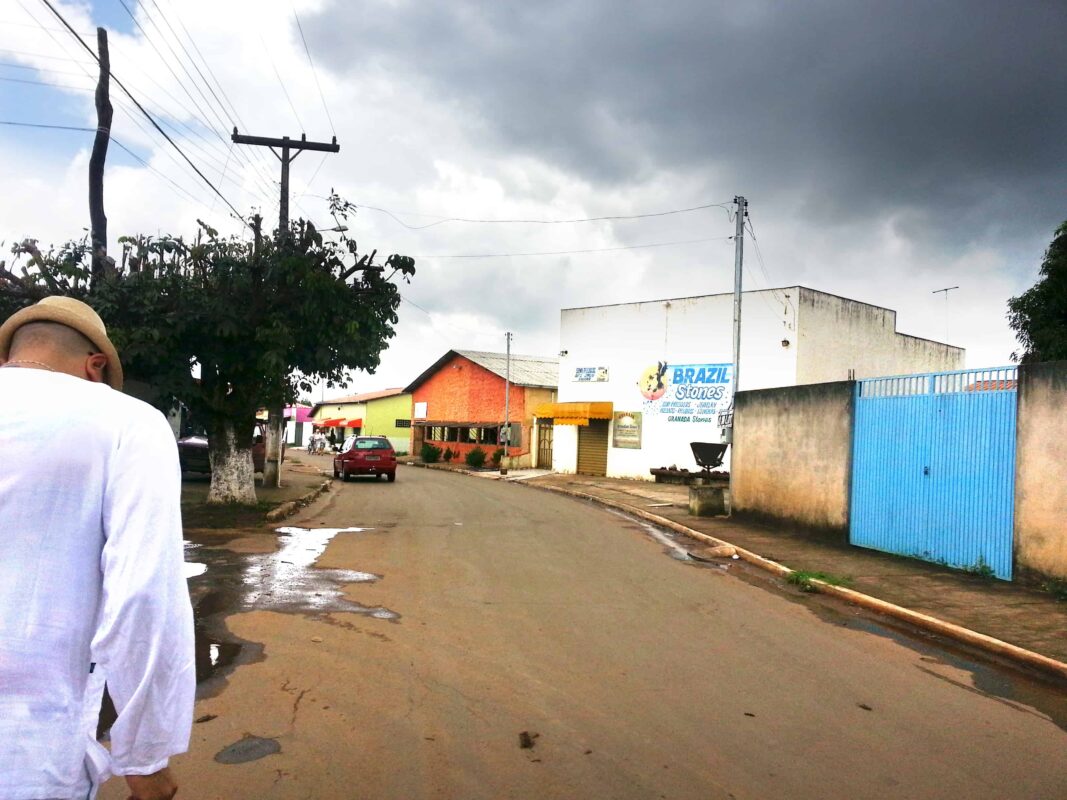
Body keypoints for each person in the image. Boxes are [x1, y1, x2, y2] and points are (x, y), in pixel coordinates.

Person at [0, 297, 195, 800]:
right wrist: (145, 757)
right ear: (96, 367)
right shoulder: (128, 422)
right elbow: (142, 596)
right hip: (31, 753)